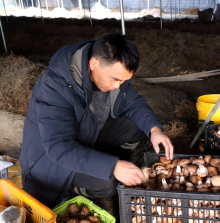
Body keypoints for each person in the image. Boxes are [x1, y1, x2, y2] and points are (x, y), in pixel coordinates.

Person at [19, 34, 174, 208]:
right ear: (93, 63)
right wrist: (112, 167)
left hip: (85, 138)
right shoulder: (54, 87)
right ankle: (75, 187)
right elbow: (59, 148)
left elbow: (134, 103)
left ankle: (110, 164)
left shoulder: (106, 69)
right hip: (50, 161)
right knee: (110, 183)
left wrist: (155, 130)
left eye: (123, 81)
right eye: (115, 80)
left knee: (137, 125)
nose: (117, 86)